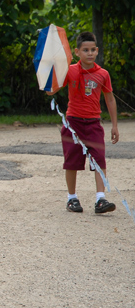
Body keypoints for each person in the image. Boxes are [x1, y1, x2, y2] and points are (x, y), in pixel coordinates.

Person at [47, 31, 119, 213]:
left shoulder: (103, 74)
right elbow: (51, 91)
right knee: (72, 161)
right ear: (77, 52)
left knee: (99, 160)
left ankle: (100, 199)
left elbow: (110, 99)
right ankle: (72, 198)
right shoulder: (69, 70)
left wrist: (115, 125)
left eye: (93, 50)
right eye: (85, 50)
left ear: (97, 51)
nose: (90, 53)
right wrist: (50, 74)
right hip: (73, 124)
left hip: (94, 123)